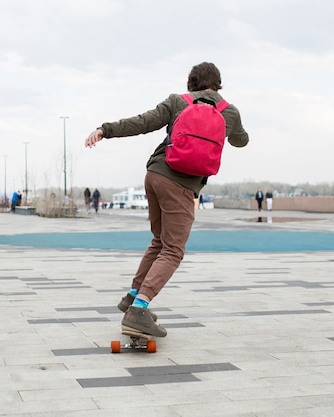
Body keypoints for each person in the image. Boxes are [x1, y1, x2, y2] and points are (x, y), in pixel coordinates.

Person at [84, 62, 249, 337]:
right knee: (173, 250)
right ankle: (138, 310)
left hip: (155, 175)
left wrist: (105, 129)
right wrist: (236, 130)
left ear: (191, 84)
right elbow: (240, 141)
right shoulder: (229, 111)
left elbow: (142, 122)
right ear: (218, 84)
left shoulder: (177, 102)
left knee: (159, 242)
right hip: (181, 185)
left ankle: (133, 296)